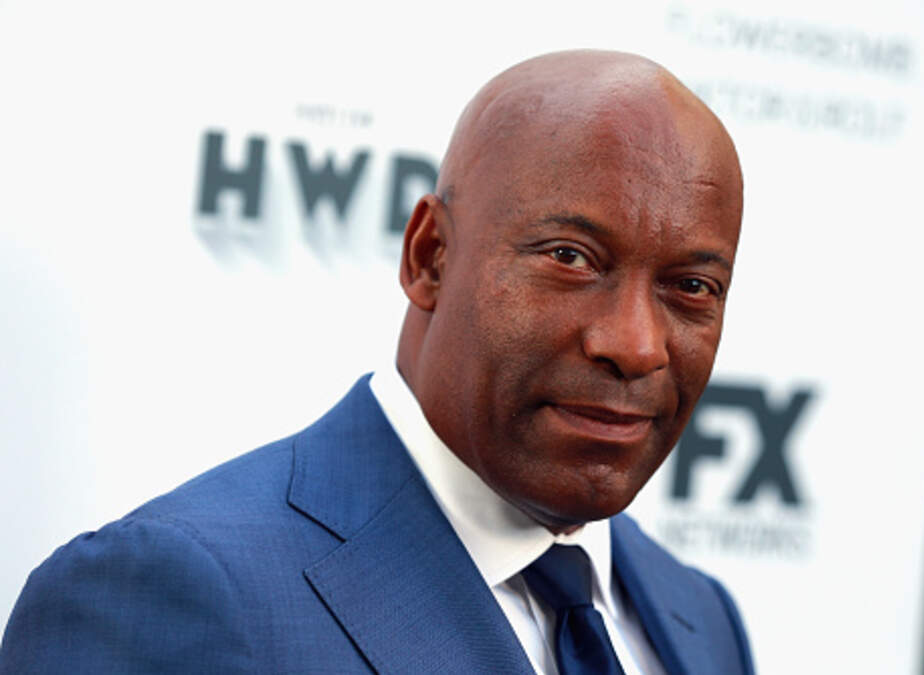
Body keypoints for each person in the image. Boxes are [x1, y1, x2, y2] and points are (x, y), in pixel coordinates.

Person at [0, 49, 751, 674]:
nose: (636, 345)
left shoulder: (700, 618)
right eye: (570, 257)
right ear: (430, 256)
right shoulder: (170, 593)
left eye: (692, 286)